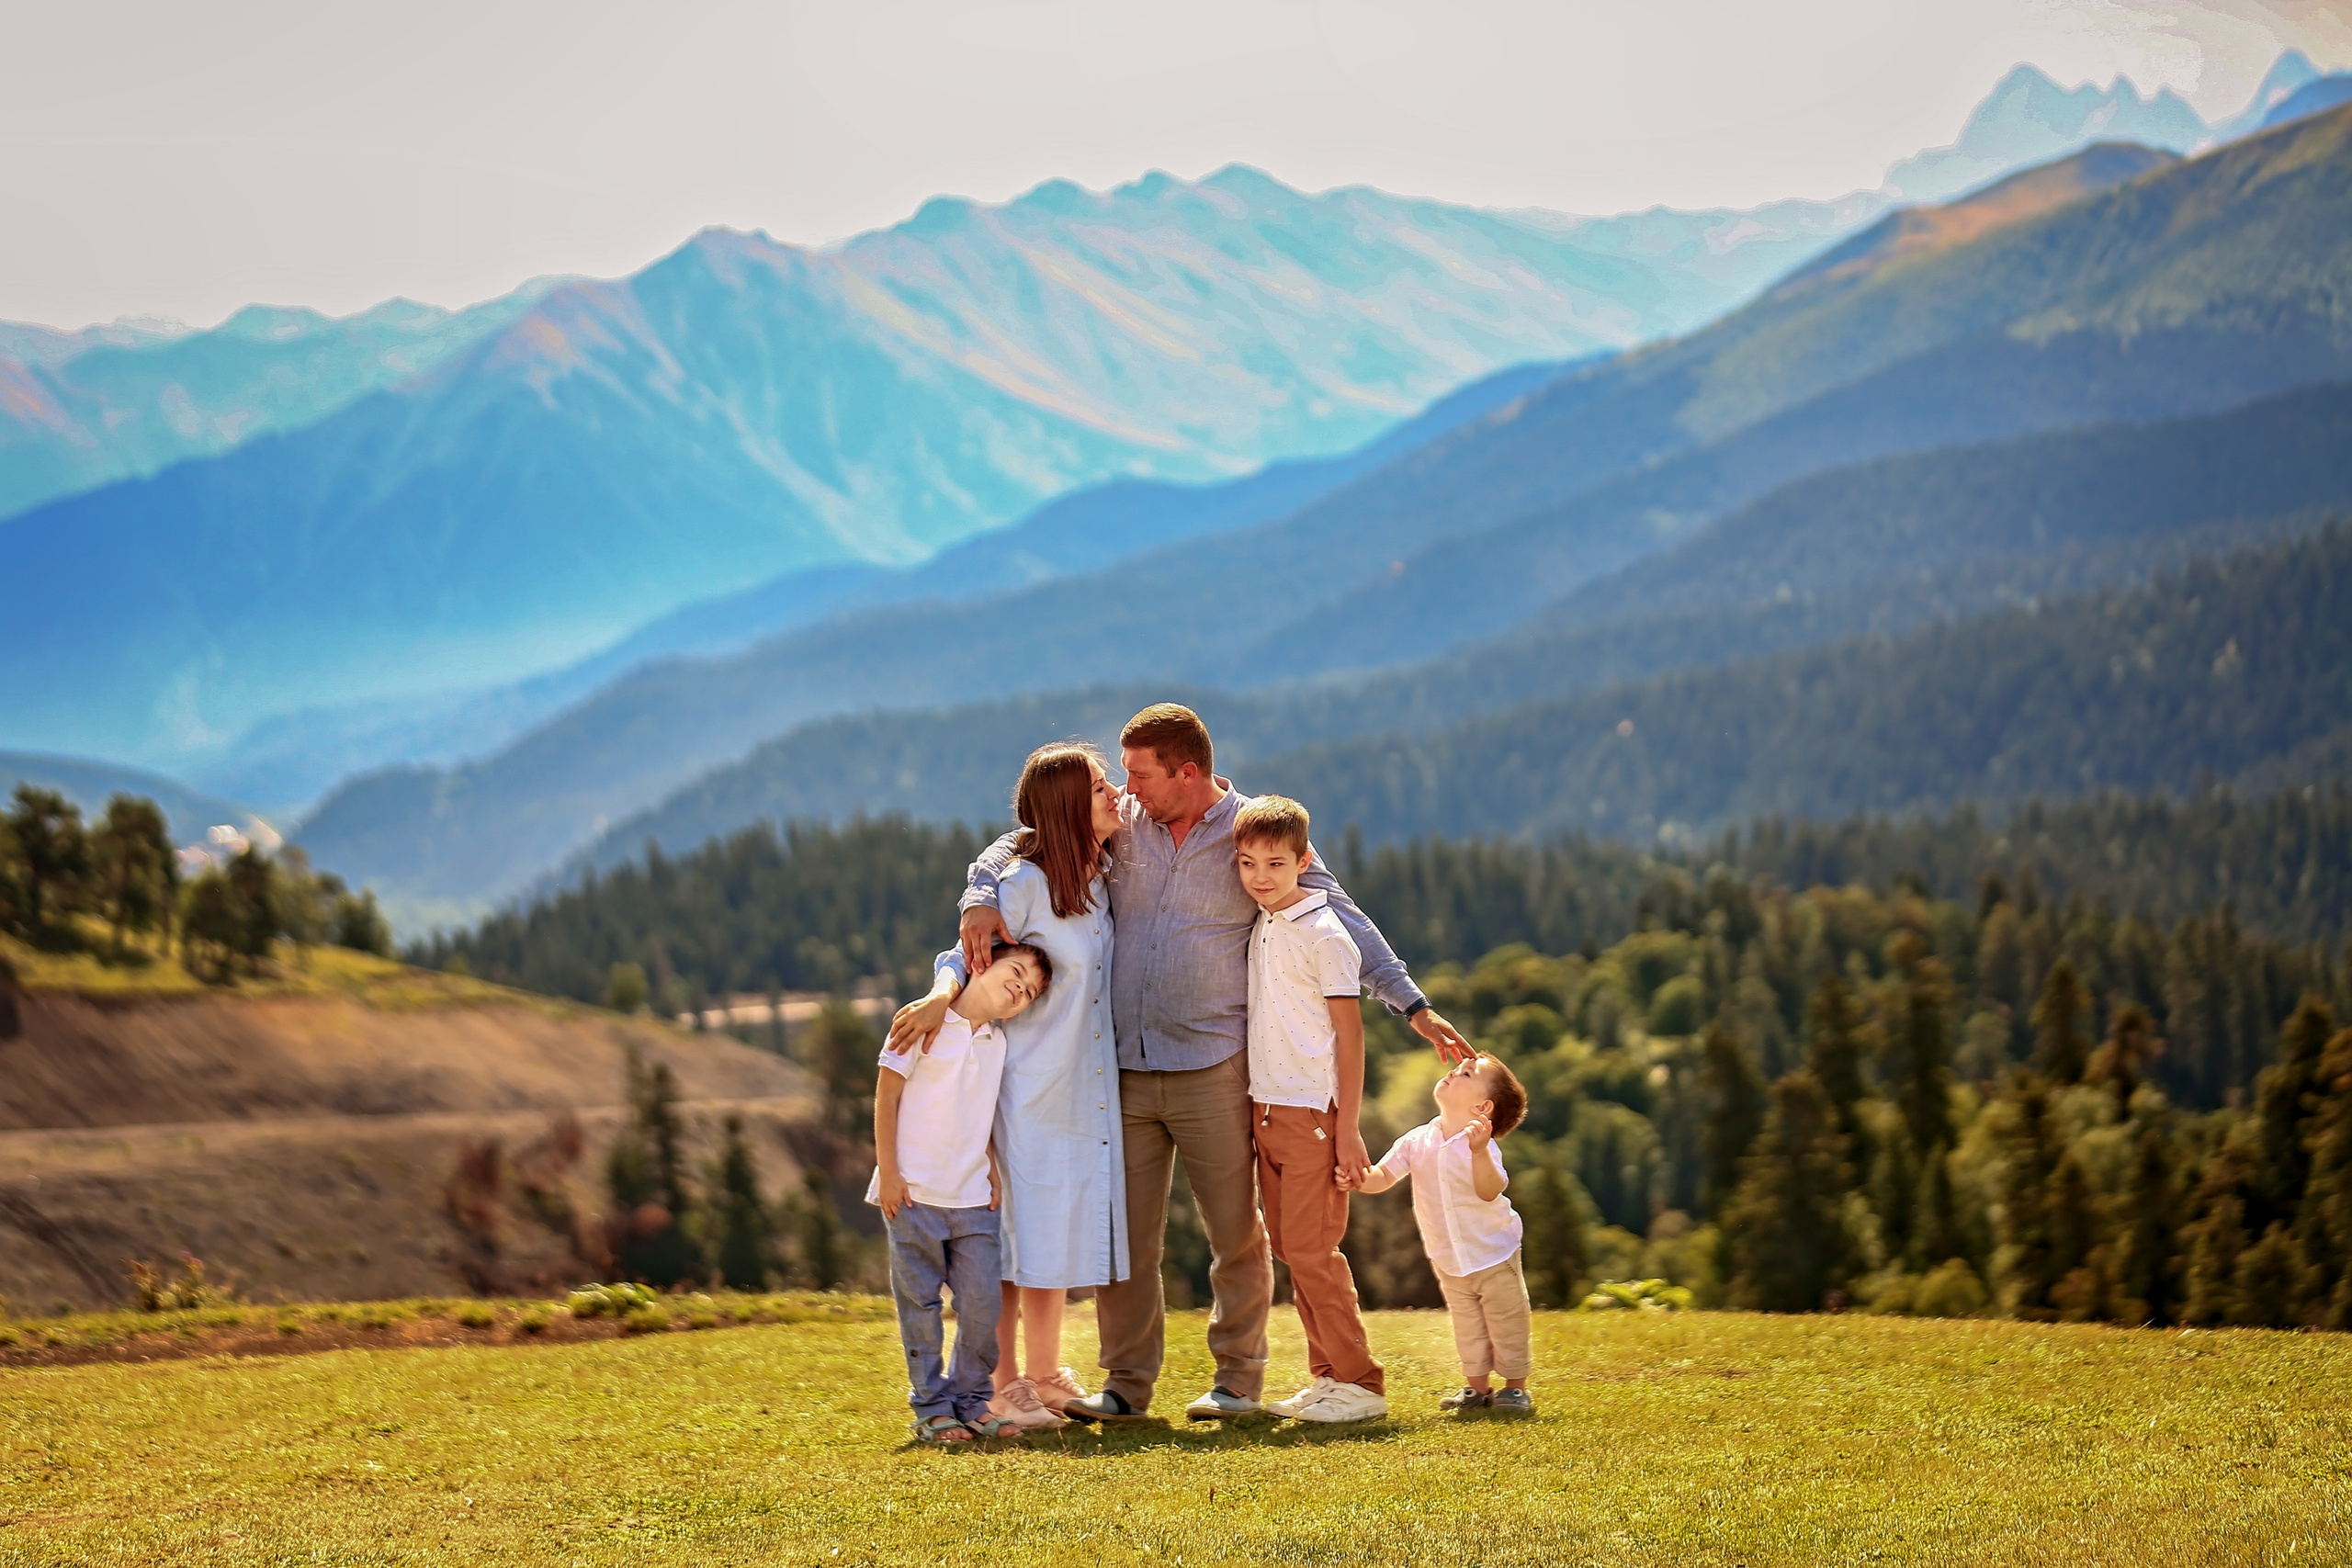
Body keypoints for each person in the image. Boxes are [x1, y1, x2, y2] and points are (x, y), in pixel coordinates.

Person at [891, 703, 1472, 1425]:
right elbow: (1025, 838)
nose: (1125, 787)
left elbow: (1341, 914)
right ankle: (1127, 1384)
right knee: (1125, 1237)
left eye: (1138, 772)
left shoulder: (1252, 832)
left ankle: (1237, 1379)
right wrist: (978, 896)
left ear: (1186, 771)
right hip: (1123, 1074)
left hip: (1213, 1068)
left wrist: (1413, 1005)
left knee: (1235, 1232)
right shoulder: (1123, 824)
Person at [888, 741, 1126, 1433]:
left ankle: (1046, 1373)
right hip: (1019, 1087)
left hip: (1078, 1089)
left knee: (1051, 1232)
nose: (1115, 793)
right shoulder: (1019, 885)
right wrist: (940, 997)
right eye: (1099, 787)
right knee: (1012, 1241)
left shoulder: (1098, 879)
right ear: (1064, 810)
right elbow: (963, 955)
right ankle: (1000, 1382)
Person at [1234, 795, 1385, 1424]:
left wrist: (1347, 1130)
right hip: (1265, 1109)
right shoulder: (1268, 920)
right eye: (1246, 863)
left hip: (1313, 1115)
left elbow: (1351, 1036)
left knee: (1314, 1249)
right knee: (1293, 1250)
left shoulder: (1326, 934)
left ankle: (1362, 1383)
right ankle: (1326, 1377)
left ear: (1305, 861)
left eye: (1274, 863)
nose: (1260, 877)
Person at [867, 942, 1052, 1444]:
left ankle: (971, 1401)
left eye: (1030, 991)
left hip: (973, 1200)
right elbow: (887, 1094)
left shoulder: (997, 1042)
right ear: (980, 964)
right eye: (1015, 972)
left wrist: (990, 1166)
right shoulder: (924, 1021)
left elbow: (980, 1107)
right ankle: (931, 1409)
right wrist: (889, 1172)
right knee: (920, 1306)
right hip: (913, 1195)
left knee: (981, 1304)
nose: (1020, 989)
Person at [1352, 1053, 1535, 1414]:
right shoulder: (1417, 1140)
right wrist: (1357, 1178)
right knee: (1467, 1325)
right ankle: (1477, 1389)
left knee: (1506, 1319)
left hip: (1493, 1253)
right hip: (1448, 1257)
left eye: (1467, 1073)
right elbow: (1383, 1177)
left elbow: (1490, 1189)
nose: (1454, 1071)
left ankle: (1514, 1388)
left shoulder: (1481, 1146)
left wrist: (1480, 1151)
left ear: (1482, 1107)